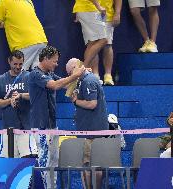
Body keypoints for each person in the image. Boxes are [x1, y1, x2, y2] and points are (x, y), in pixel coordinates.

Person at [28, 46, 85, 189]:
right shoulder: (35, 74)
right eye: (54, 61)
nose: (56, 64)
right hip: (41, 126)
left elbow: (66, 85)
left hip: (52, 125)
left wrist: (82, 74)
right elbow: (53, 86)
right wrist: (74, 75)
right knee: (44, 162)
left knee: (53, 161)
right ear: (45, 59)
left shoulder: (49, 73)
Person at [66, 58, 109, 189]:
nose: (70, 76)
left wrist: (75, 101)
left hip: (92, 132)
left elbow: (92, 104)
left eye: (70, 73)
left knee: (89, 165)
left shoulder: (88, 81)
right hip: (89, 130)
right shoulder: (83, 80)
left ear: (75, 68)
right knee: (92, 164)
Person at [0, 50, 37, 158]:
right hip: (8, 129)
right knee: (8, 165)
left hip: (26, 128)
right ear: (9, 62)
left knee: (28, 162)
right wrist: (9, 100)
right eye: (15, 64)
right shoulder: (1, 79)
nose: (18, 67)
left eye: (20, 64)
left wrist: (21, 95)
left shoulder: (29, 77)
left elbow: (36, 96)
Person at [0, 0, 47, 70]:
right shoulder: (28, 1)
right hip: (41, 39)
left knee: (19, 73)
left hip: (25, 43)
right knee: (38, 74)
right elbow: (19, 19)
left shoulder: (4, 1)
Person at [91, 0, 122, 85]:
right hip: (91, 12)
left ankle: (108, 75)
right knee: (93, 44)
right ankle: (95, 75)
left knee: (108, 44)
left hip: (107, 13)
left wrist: (117, 13)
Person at [73, 0, 108, 69]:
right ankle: (83, 68)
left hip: (86, 9)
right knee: (104, 39)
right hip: (90, 10)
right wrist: (99, 6)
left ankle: (85, 72)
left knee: (91, 43)